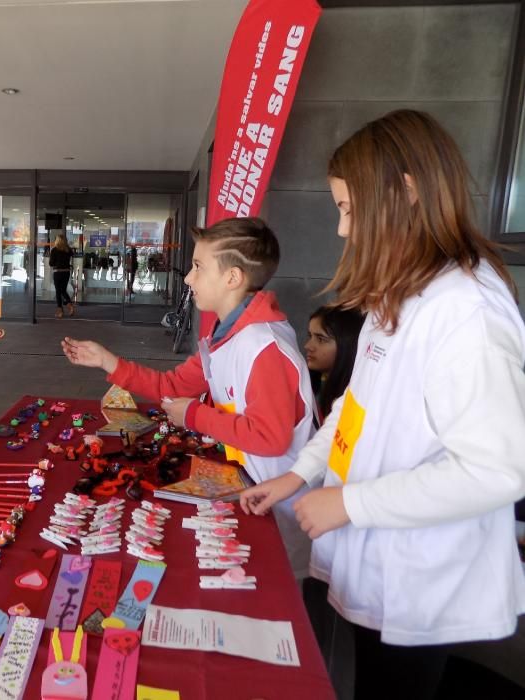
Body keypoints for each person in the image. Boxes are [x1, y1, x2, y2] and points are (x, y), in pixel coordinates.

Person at [239, 110, 525, 699]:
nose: (343, 231)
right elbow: (354, 408)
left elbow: (496, 469)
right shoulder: (401, 295)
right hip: (379, 562)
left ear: (407, 191)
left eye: (348, 209)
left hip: (422, 580)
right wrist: (298, 475)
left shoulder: (467, 308)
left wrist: (351, 502)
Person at [62, 217, 315, 575]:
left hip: (282, 508)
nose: (188, 278)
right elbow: (172, 387)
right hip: (253, 490)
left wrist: (194, 416)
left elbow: (271, 438)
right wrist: (108, 361)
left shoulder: (263, 346)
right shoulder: (226, 336)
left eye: (198, 266)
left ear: (232, 278)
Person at [304, 305, 364, 427]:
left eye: (321, 339)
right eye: (310, 336)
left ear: (347, 345)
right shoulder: (314, 383)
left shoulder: (354, 397)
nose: (308, 346)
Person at [49, 234, 74, 318]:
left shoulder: (54, 250)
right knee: (63, 290)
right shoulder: (69, 250)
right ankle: (70, 305)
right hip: (66, 272)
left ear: (57, 240)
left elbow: (51, 263)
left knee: (58, 292)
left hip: (58, 272)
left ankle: (60, 311)